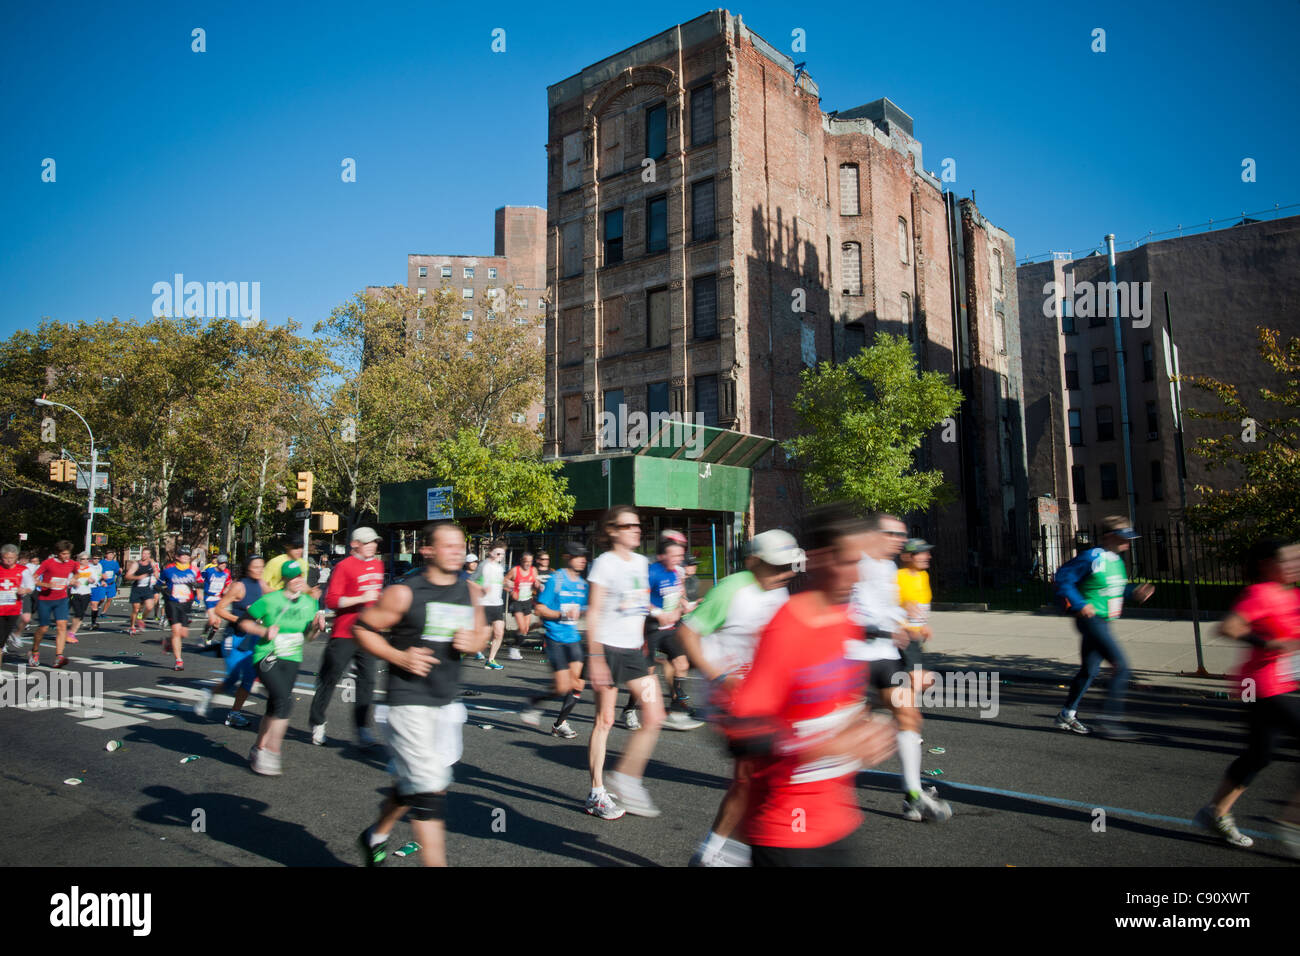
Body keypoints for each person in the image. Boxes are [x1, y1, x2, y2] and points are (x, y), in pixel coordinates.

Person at [723, 503, 897, 866]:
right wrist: (827, 745)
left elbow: (834, 699)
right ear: (818, 557)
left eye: (862, 562)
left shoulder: (845, 619)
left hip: (838, 819)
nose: (858, 575)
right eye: (849, 563)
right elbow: (741, 732)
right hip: (787, 830)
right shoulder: (789, 626)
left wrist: (868, 721)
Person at [353, 521, 488, 866]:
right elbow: (363, 628)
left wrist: (474, 642)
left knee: (425, 784)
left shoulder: (470, 591)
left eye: (461, 546)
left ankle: (375, 836)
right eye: (449, 546)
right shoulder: (404, 592)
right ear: (427, 550)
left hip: (446, 704)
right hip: (406, 704)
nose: (458, 552)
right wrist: (399, 656)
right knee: (429, 790)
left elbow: (480, 633)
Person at [678, 529, 800, 866]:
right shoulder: (732, 589)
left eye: (788, 566)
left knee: (760, 780)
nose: (784, 573)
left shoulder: (779, 592)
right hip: (728, 700)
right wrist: (719, 676)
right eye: (776, 566)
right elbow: (686, 633)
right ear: (753, 562)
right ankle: (722, 852)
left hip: (765, 697)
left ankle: (719, 851)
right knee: (753, 777)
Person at [1194, 539, 1300, 850]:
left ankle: (1215, 813)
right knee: (1260, 752)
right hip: (1257, 686)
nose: (1295, 564)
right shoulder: (1260, 593)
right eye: (1289, 559)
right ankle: (1293, 824)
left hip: (1275, 685)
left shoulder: (1290, 594)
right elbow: (1228, 627)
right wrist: (1269, 644)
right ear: (1267, 564)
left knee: (1259, 754)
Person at [585, 505, 664, 820]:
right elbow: (593, 612)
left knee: (654, 714)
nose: (636, 529)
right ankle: (596, 792)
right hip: (608, 650)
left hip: (634, 653)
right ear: (613, 530)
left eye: (637, 525)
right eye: (628, 525)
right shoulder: (604, 564)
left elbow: (640, 603)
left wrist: (660, 614)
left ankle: (626, 778)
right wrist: (595, 658)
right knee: (604, 720)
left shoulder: (642, 562)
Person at [1052, 515, 1155, 739]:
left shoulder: (1116, 562)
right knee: (1122, 667)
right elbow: (1062, 578)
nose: (1128, 543)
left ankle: (1066, 715)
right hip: (1091, 620)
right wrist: (1080, 604)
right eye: (1123, 538)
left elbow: (1114, 590)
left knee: (1090, 670)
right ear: (1109, 537)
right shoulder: (1093, 557)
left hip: (1104, 622)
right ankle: (1109, 719)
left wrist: (1133, 591)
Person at [241, 559, 320, 775]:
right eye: (292, 578)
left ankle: (258, 748)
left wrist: (315, 628)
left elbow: (310, 637)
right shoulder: (270, 600)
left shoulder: (309, 603)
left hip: (292, 659)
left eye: (300, 577)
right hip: (267, 655)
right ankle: (273, 752)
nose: (297, 581)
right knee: (284, 702)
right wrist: (263, 632)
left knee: (275, 705)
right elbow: (244, 622)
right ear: (285, 579)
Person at [310, 527, 386, 749]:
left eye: (375, 542)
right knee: (330, 678)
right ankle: (318, 721)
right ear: (355, 544)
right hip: (345, 632)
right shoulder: (344, 567)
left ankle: (363, 729)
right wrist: (361, 597)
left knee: (368, 681)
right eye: (369, 542)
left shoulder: (378, 565)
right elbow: (332, 601)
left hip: (369, 633)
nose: (373, 546)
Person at [521, 541, 589, 738]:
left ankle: (559, 724)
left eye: (584, 556)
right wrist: (561, 613)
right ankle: (535, 701)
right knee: (562, 687)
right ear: (568, 558)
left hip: (573, 638)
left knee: (577, 685)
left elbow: (582, 610)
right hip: (555, 639)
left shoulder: (583, 585)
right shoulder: (556, 580)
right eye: (578, 556)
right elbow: (540, 609)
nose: (583, 560)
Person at [196, 555, 265, 728]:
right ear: (248, 567)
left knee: (249, 678)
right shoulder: (239, 586)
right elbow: (219, 609)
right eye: (256, 567)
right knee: (232, 679)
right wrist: (240, 619)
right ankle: (209, 694)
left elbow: (277, 596)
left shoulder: (262, 585)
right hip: (234, 637)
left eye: (262, 567)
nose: (259, 570)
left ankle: (234, 713)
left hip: (251, 638)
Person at [644, 530, 703, 731]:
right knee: (647, 672)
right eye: (675, 556)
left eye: (680, 556)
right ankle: (631, 709)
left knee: (681, 662)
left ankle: (676, 710)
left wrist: (685, 605)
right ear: (663, 555)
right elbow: (640, 600)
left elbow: (680, 595)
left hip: (669, 628)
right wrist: (658, 612)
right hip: (650, 627)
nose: (679, 560)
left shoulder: (678, 572)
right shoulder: (651, 572)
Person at [897, 539, 938, 700]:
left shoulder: (923, 576)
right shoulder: (897, 577)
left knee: (922, 680)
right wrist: (902, 607)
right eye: (922, 553)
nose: (928, 556)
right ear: (908, 556)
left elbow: (920, 605)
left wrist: (923, 625)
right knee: (918, 680)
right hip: (903, 637)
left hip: (916, 637)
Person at [31, 541, 79, 668]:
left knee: (62, 626)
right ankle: (34, 651)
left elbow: (77, 572)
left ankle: (59, 656)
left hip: (61, 599)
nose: (66, 556)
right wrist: (45, 585)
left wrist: (74, 579)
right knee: (44, 628)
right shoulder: (48, 563)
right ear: (58, 553)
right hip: (45, 599)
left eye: (68, 554)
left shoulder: (72, 563)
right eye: (63, 554)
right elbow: (32, 578)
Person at [158, 546, 201, 671]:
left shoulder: (194, 570)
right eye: (183, 555)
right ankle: (179, 660)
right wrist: (164, 591)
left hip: (186, 603)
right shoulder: (169, 569)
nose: (185, 557)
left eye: (187, 555)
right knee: (176, 631)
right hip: (173, 603)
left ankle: (168, 642)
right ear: (177, 557)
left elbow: (200, 582)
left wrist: (198, 590)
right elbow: (158, 584)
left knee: (183, 633)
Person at [472, 541, 507, 670]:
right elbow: (470, 582)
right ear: (490, 552)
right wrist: (481, 589)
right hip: (484, 604)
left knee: (499, 633)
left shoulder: (500, 567)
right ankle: (461, 651)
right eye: (498, 553)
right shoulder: (484, 565)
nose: (500, 556)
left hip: (497, 604)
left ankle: (490, 660)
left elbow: (498, 582)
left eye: (502, 554)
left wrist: (507, 585)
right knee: (482, 637)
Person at [504, 551, 539, 660]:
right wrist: (510, 591)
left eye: (530, 561)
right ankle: (514, 648)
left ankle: (515, 646)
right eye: (526, 561)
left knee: (525, 629)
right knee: (522, 626)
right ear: (521, 561)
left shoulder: (533, 570)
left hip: (527, 601)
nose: (528, 564)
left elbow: (535, 583)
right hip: (517, 602)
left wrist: (537, 585)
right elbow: (503, 581)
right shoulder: (515, 570)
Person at [0, 545, 31, 664]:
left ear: (16, 557)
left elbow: (30, 586)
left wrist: (25, 590)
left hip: (13, 609)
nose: (8, 560)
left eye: (11, 558)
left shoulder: (22, 570)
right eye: (6, 558)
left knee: (3, 639)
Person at [199, 554, 233, 649]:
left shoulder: (227, 573)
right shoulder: (209, 571)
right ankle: (203, 635)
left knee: (217, 623)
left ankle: (209, 639)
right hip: (209, 597)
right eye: (221, 563)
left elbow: (228, 583)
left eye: (225, 563)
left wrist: (227, 590)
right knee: (212, 619)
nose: (223, 565)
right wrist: (199, 590)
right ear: (217, 563)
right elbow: (199, 579)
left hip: (219, 598)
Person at [125, 547, 161, 634]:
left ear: (149, 555)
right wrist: (138, 577)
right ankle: (132, 626)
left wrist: (156, 576)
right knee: (136, 609)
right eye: (143, 553)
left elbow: (156, 573)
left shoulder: (151, 563)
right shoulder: (136, 564)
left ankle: (142, 620)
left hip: (147, 589)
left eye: (146, 554)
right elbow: (127, 576)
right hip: (137, 589)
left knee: (150, 606)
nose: (144, 555)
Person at [66, 552, 100, 644]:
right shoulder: (75, 569)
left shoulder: (91, 569)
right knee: (78, 613)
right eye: (83, 559)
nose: (85, 561)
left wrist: (92, 580)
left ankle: (72, 633)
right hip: (75, 593)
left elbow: (96, 579)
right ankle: (71, 633)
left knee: (81, 614)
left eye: (87, 559)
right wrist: (73, 582)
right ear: (79, 560)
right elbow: (68, 580)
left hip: (86, 593)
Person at [97, 548, 122, 621]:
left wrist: (120, 571)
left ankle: (103, 612)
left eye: (112, 554)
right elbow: (97, 572)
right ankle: (97, 606)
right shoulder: (102, 562)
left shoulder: (115, 563)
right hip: (103, 583)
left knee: (110, 599)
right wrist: (101, 577)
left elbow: (118, 573)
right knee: (102, 599)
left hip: (111, 584)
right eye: (109, 554)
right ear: (106, 555)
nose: (111, 556)